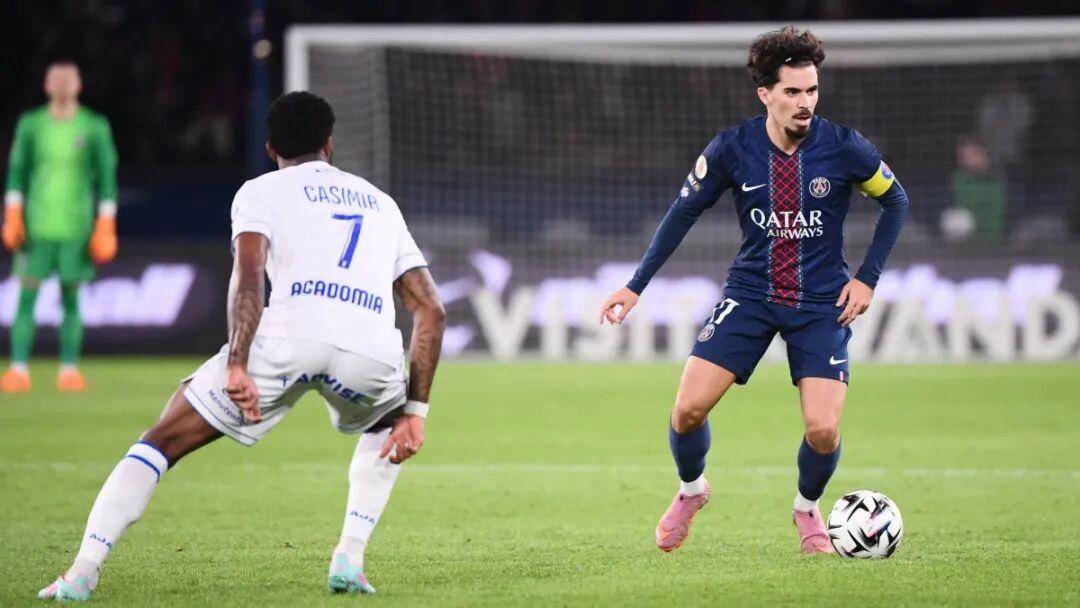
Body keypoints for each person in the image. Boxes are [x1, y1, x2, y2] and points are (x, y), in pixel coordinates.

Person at [37, 91, 446, 601]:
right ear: (329, 144)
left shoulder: (260, 191)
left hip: (288, 339)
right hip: (369, 349)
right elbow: (431, 309)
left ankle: (83, 570)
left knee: (161, 440)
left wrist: (237, 362)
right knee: (385, 425)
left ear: (271, 148)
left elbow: (249, 279)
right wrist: (416, 412)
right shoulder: (382, 203)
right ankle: (350, 556)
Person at [599, 27, 908, 555]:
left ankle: (806, 508)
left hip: (821, 302)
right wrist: (635, 285)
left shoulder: (845, 147)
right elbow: (682, 214)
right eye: (792, 91)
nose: (805, 102)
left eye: (812, 90)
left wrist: (867, 278)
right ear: (765, 94)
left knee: (823, 430)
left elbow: (895, 201)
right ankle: (691, 491)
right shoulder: (732, 148)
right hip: (751, 294)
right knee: (687, 411)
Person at [2, 60, 118, 393]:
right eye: (57, 79)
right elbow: (17, 171)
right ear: (47, 84)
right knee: (26, 297)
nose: (64, 84)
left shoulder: (94, 126)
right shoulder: (31, 125)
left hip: (76, 227)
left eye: (69, 79)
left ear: (78, 85)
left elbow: (107, 176)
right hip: (36, 226)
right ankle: (18, 370)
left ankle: (68, 369)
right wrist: (12, 212)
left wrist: (106, 221)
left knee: (71, 299)